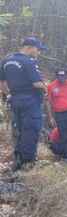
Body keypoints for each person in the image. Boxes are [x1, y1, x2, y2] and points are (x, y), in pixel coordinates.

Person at [0, 36, 47, 171]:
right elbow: (36, 83)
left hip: (15, 100)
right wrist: (45, 88)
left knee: (19, 129)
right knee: (31, 130)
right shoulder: (28, 62)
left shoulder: (6, 60)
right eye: (38, 49)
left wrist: (9, 94)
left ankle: (18, 160)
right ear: (29, 48)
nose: (39, 52)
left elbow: (2, 83)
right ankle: (27, 163)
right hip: (31, 101)